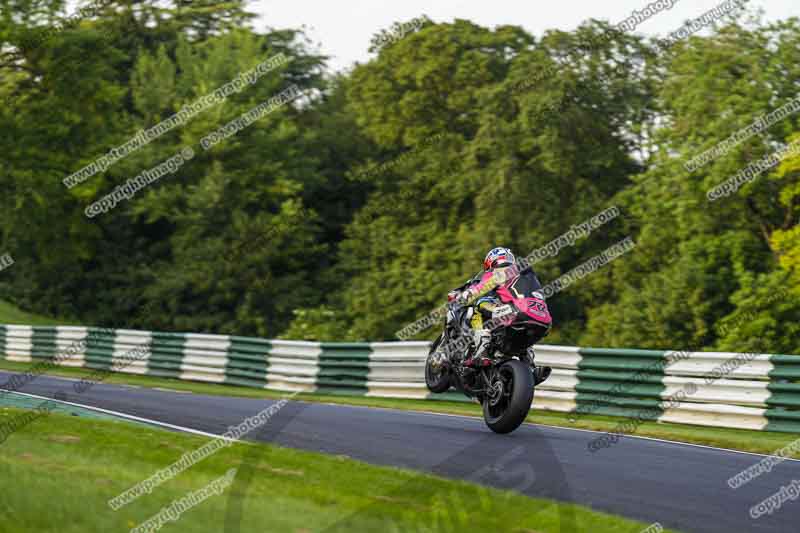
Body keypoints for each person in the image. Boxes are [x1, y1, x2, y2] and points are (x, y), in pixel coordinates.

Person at [449, 247, 551, 385]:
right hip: (543, 319)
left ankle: (482, 344)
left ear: (492, 262)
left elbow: (478, 289)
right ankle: (530, 366)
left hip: (517, 312)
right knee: (522, 334)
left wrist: (463, 297)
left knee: (478, 306)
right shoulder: (529, 275)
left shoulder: (499, 271)